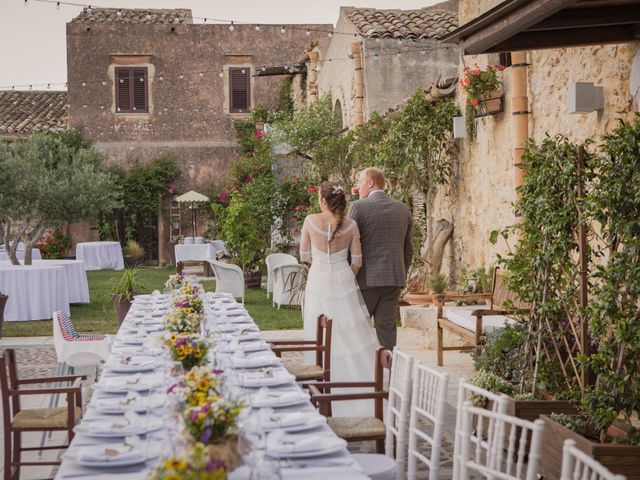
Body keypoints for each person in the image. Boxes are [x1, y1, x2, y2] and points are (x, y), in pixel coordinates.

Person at [300, 181, 380, 416]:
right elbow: (357, 261)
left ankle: (320, 388)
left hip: (318, 281)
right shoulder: (352, 225)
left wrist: (321, 267)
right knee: (350, 332)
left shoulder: (310, 221)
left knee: (318, 334)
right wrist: (346, 276)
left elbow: (304, 254)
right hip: (344, 279)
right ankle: (360, 386)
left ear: (323, 201)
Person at [349, 167, 413, 349]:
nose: (358, 186)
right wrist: (401, 273)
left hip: (365, 280)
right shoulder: (402, 209)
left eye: (360, 182)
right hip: (394, 279)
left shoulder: (358, 207)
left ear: (370, 183)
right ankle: (389, 373)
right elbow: (408, 249)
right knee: (387, 331)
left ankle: (364, 373)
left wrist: (349, 275)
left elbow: (350, 246)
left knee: (360, 330)